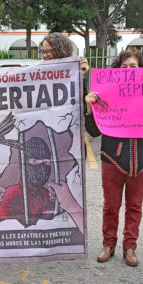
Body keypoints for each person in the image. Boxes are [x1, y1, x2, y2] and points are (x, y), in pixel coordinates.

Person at [85, 48, 143, 267]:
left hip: (141, 159)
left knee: (135, 206)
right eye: (125, 67)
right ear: (118, 69)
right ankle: (108, 244)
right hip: (112, 157)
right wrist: (90, 107)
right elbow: (93, 132)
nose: (129, 71)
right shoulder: (106, 94)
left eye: (133, 67)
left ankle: (130, 247)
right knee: (111, 205)